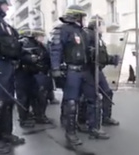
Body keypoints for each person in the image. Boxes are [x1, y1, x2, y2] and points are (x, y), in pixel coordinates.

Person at [49, 4, 96, 148]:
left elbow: (88, 50)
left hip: (85, 70)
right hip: (71, 71)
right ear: (76, 17)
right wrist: (55, 68)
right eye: (82, 16)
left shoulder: (83, 32)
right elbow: (55, 50)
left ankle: (93, 127)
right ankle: (70, 134)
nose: (84, 19)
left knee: (92, 97)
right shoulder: (61, 29)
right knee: (71, 102)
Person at [0, 0, 25, 154]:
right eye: (6, 3)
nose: (8, 7)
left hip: (7, 65)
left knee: (7, 102)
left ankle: (5, 134)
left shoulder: (1, 21)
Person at [16, 27, 51, 128]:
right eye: (41, 36)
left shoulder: (41, 46)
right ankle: (24, 118)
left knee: (37, 96)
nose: (42, 38)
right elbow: (22, 56)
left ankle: (38, 115)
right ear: (36, 36)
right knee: (23, 98)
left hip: (33, 74)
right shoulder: (26, 43)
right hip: (22, 73)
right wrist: (31, 59)